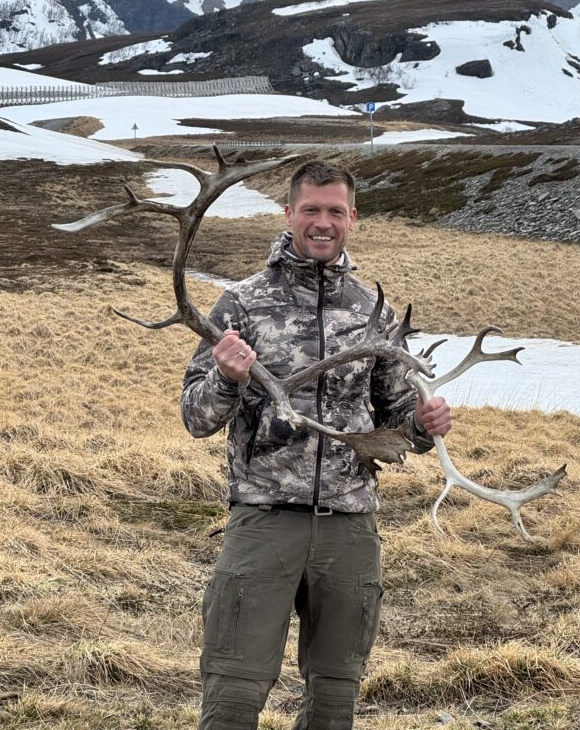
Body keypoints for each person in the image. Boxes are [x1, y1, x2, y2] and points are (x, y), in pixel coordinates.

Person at [181, 159, 452, 730]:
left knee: (334, 702)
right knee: (232, 695)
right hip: (264, 521)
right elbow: (196, 417)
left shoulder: (373, 312)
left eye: (335, 211)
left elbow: (396, 423)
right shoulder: (242, 304)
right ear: (288, 213)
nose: (322, 222)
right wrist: (227, 378)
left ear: (352, 218)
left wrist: (424, 425)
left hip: (349, 526)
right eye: (311, 209)